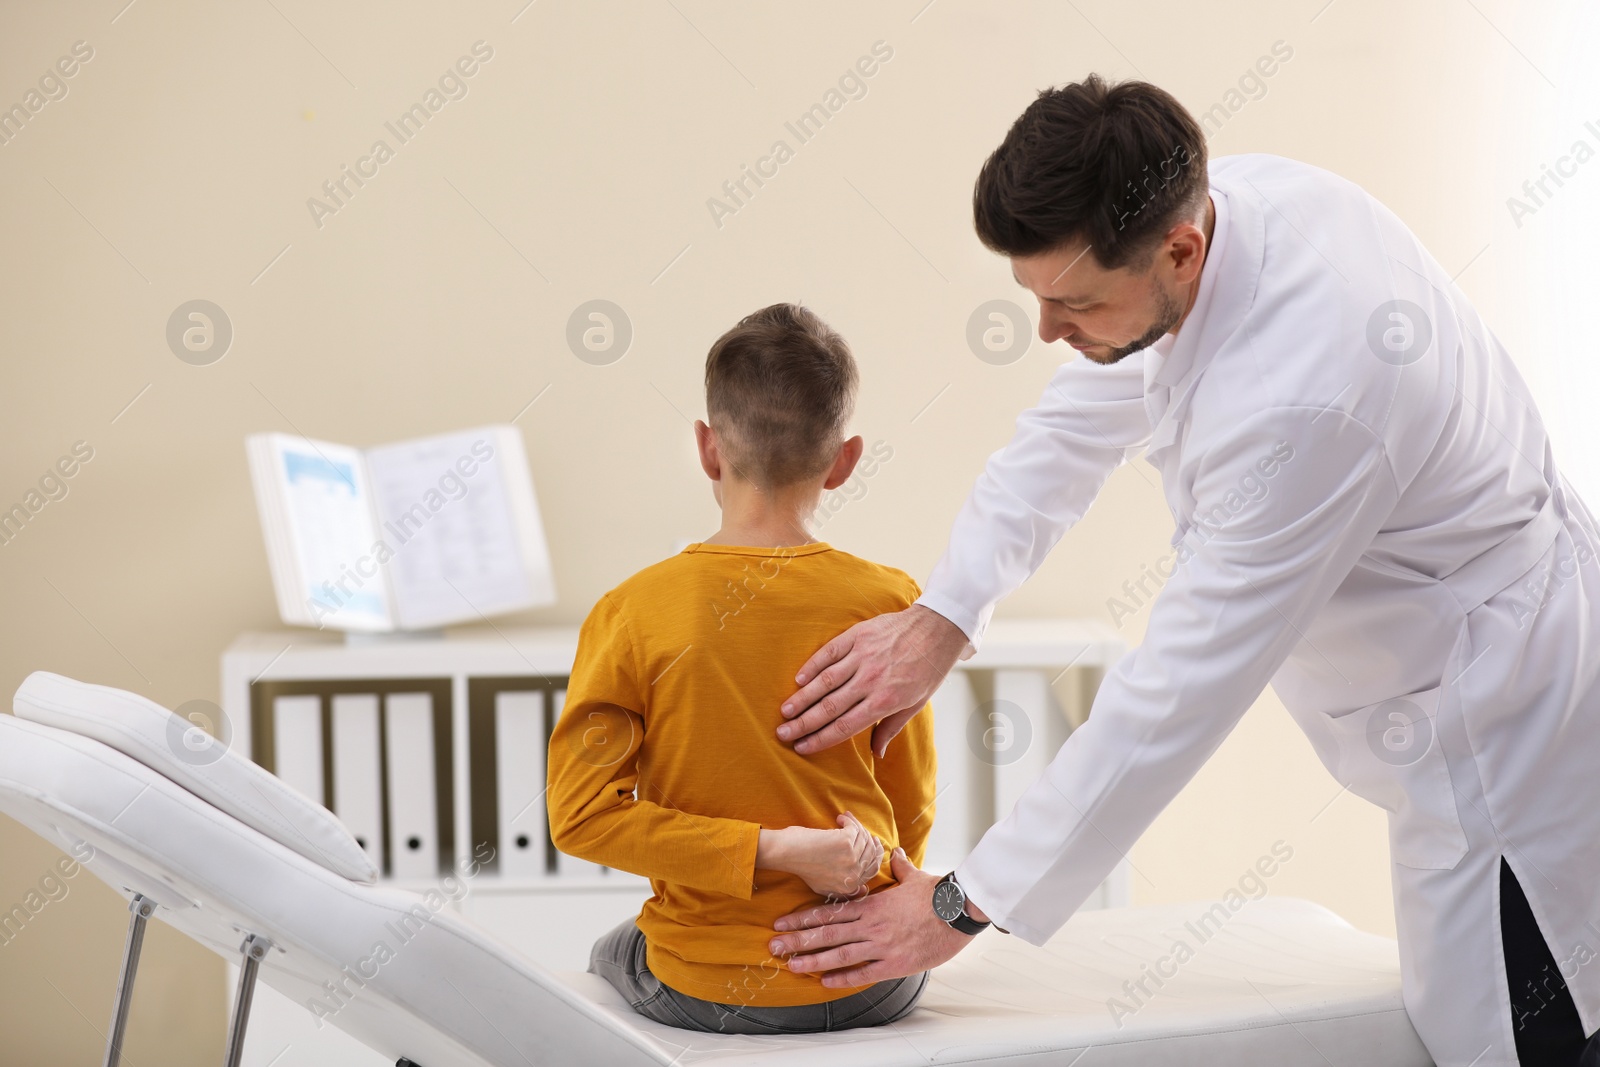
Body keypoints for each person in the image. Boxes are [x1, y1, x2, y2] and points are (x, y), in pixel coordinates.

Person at [765, 76, 1600, 1067]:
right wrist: (945, 613)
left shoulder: (1310, 395)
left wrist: (959, 903)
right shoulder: (1215, 211)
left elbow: (1176, 690)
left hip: (1503, 736)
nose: (1044, 332)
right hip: (1450, 686)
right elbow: (1067, 431)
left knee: (1528, 1035)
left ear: (1179, 253)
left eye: (1069, 302)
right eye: (1032, 296)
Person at [546, 302, 937, 1035]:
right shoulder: (892, 604)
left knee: (615, 949)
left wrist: (749, 855)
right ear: (846, 459)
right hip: (870, 980)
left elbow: (580, 816)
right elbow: (909, 804)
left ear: (707, 447)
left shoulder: (630, 611)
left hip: (709, 989)